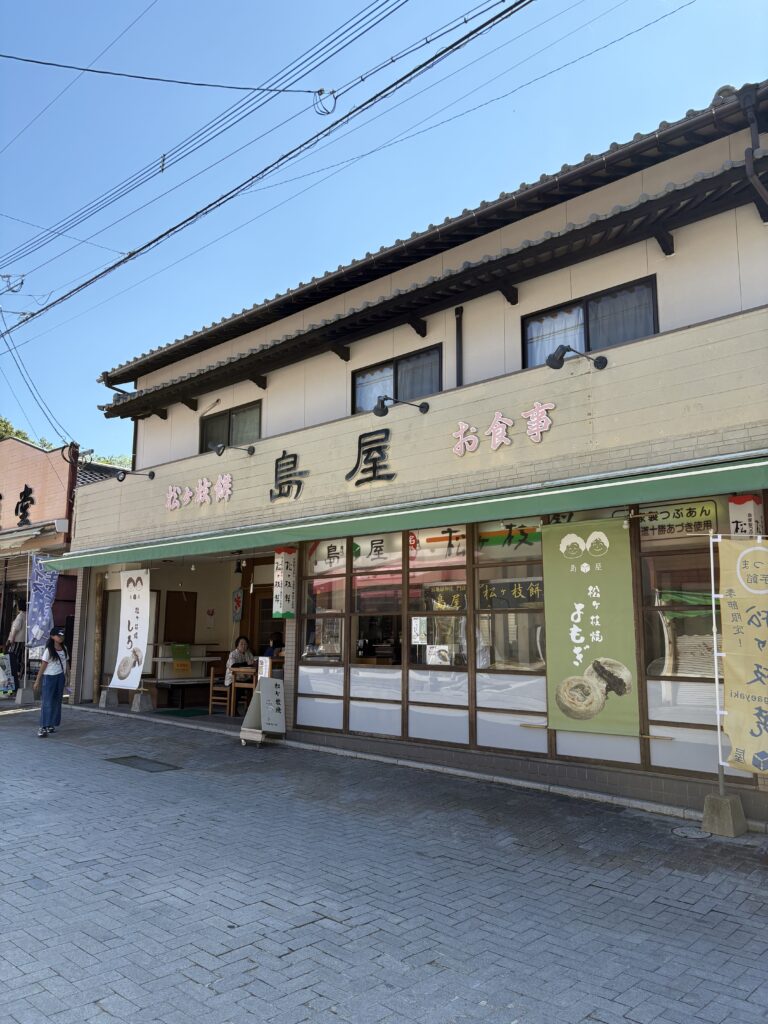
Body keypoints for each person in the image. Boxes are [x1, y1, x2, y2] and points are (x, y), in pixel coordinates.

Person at [33, 627, 68, 738]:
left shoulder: (65, 648)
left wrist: (68, 676)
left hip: (60, 677)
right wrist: (37, 680)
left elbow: (67, 663)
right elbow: (43, 666)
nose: (61, 637)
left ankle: (51, 724)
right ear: (53, 636)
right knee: (47, 702)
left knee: (57, 701)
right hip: (49, 678)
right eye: (59, 635)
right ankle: (43, 727)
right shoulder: (48, 650)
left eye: (62, 635)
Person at [6, 598, 27, 693]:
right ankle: (20, 676)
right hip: (24, 641)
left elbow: (15, 629)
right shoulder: (28, 616)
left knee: (11, 662)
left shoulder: (20, 616)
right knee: (21, 661)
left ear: (19, 606)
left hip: (17, 641)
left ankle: (12, 683)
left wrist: (10, 640)